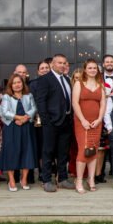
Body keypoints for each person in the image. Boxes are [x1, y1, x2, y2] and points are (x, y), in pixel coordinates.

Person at [33, 54, 76, 192]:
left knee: (63, 152)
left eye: (64, 63)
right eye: (59, 63)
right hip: (51, 122)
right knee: (48, 151)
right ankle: (46, 180)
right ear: (52, 64)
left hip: (66, 122)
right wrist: (46, 121)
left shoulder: (67, 79)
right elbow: (41, 101)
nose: (62, 65)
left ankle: (62, 179)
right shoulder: (45, 79)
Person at [0, 73, 37, 192]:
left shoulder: (29, 95)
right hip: (11, 127)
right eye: (14, 83)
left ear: (23, 84)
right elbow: (4, 112)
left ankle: (24, 179)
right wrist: (18, 118)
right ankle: (11, 180)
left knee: (27, 152)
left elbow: (34, 108)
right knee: (11, 152)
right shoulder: (7, 97)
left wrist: (25, 118)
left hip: (26, 127)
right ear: (11, 85)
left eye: (19, 82)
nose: (17, 85)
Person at [72, 59, 106, 193]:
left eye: (94, 68)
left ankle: (91, 179)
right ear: (85, 70)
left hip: (96, 123)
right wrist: (83, 120)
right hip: (82, 122)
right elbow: (75, 103)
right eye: (90, 68)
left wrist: (99, 119)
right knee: (83, 150)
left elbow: (103, 104)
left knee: (94, 150)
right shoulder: (79, 84)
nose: (92, 70)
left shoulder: (100, 85)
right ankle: (79, 180)